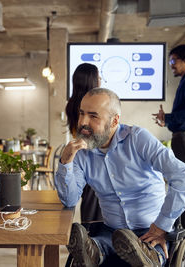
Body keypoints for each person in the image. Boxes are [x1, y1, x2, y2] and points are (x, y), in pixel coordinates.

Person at [55, 88, 185, 267]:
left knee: (149, 246)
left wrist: (162, 225)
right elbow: (69, 200)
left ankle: (149, 255)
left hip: (151, 230)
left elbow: (183, 177)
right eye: (81, 114)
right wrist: (65, 162)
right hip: (113, 231)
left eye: (93, 116)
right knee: (107, 241)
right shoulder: (81, 153)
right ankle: (95, 251)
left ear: (114, 121)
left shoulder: (138, 139)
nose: (83, 122)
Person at [152, 44, 185, 243]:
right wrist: (168, 119)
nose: (171, 65)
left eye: (174, 61)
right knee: (183, 183)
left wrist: (169, 118)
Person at [65, 63, 102, 225]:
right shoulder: (92, 104)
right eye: (98, 76)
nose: (100, 79)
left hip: (80, 155)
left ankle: (87, 235)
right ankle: (94, 238)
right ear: (91, 80)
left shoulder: (72, 103)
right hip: (94, 153)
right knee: (97, 196)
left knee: (89, 196)